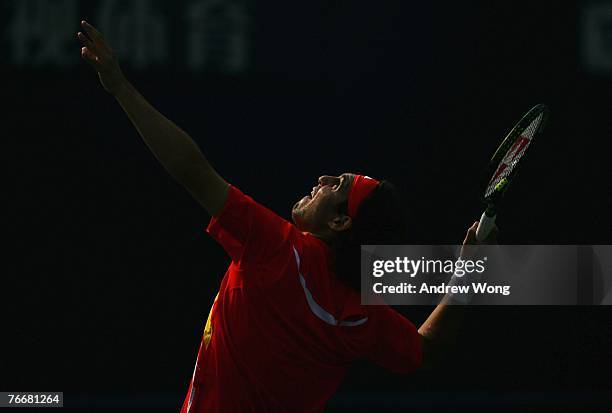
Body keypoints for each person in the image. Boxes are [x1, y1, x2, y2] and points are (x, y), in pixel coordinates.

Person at [76, 20, 494, 412]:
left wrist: (120, 88)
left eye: (338, 185)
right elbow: (427, 351)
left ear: (339, 222)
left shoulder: (278, 249)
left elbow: (191, 169)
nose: (323, 177)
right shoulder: (362, 315)